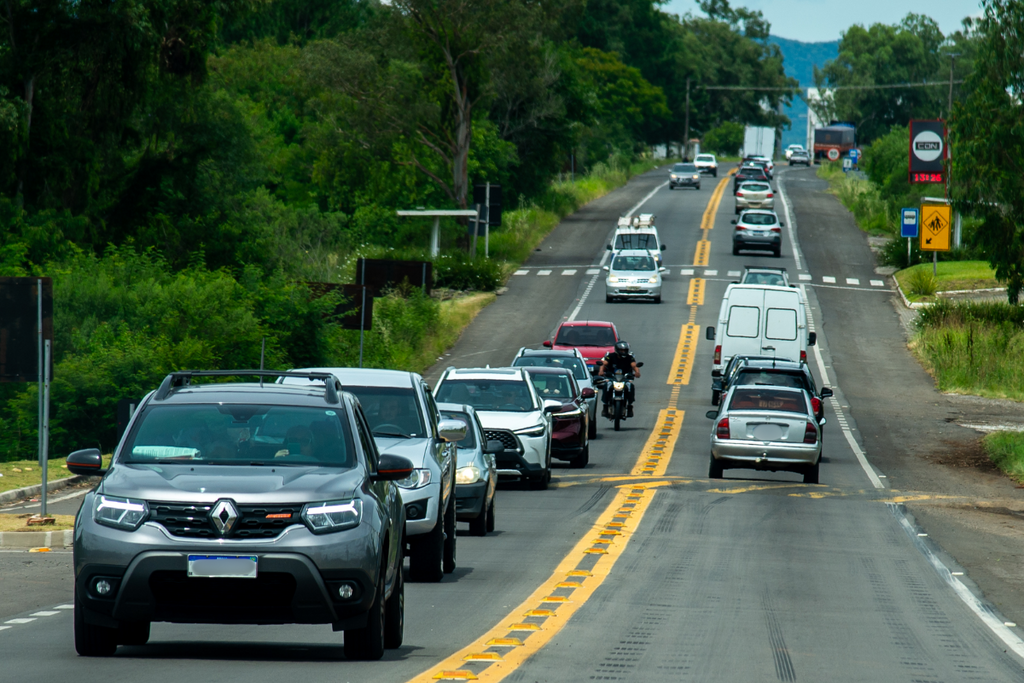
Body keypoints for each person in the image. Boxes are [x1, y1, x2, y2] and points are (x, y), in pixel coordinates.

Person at [598, 341, 641, 417]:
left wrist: (637, 372)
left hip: (625, 378)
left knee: (630, 387)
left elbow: (634, 366)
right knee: (606, 386)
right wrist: (601, 371)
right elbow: (604, 363)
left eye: (624, 350)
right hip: (612, 378)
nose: (623, 352)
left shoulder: (629, 357)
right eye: (621, 350)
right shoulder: (611, 356)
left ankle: (630, 406)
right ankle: (605, 406)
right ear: (617, 350)